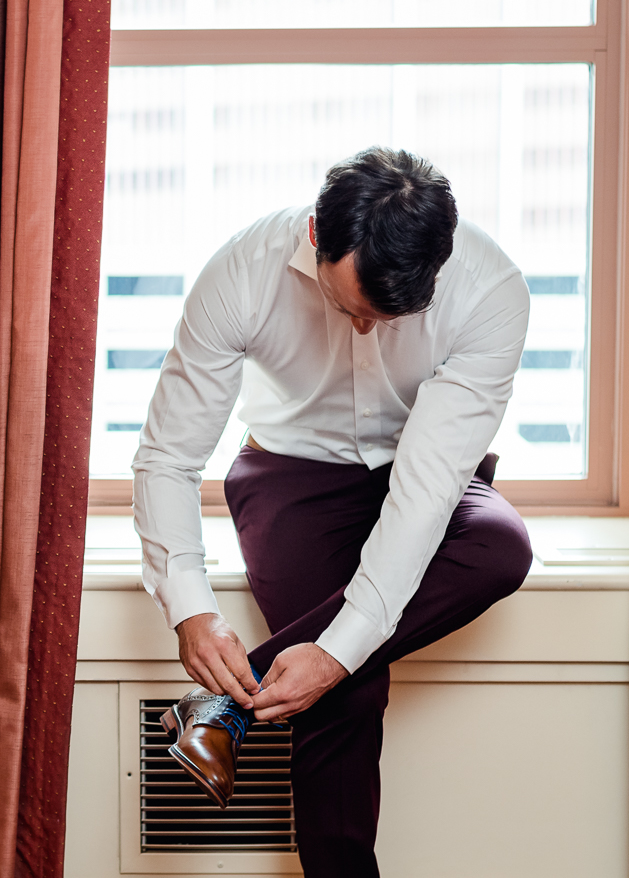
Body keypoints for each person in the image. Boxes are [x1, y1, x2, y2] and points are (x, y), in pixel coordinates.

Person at [135, 147, 533, 878]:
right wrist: (189, 606)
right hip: (289, 473)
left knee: (500, 548)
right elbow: (169, 456)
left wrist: (338, 649)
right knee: (345, 698)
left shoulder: (490, 290)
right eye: (349, 307)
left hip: (420, 470)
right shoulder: (243, 270)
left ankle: (216, 710)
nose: (362, 330)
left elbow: (424, 489)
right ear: (316, 236)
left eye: (386, 318)